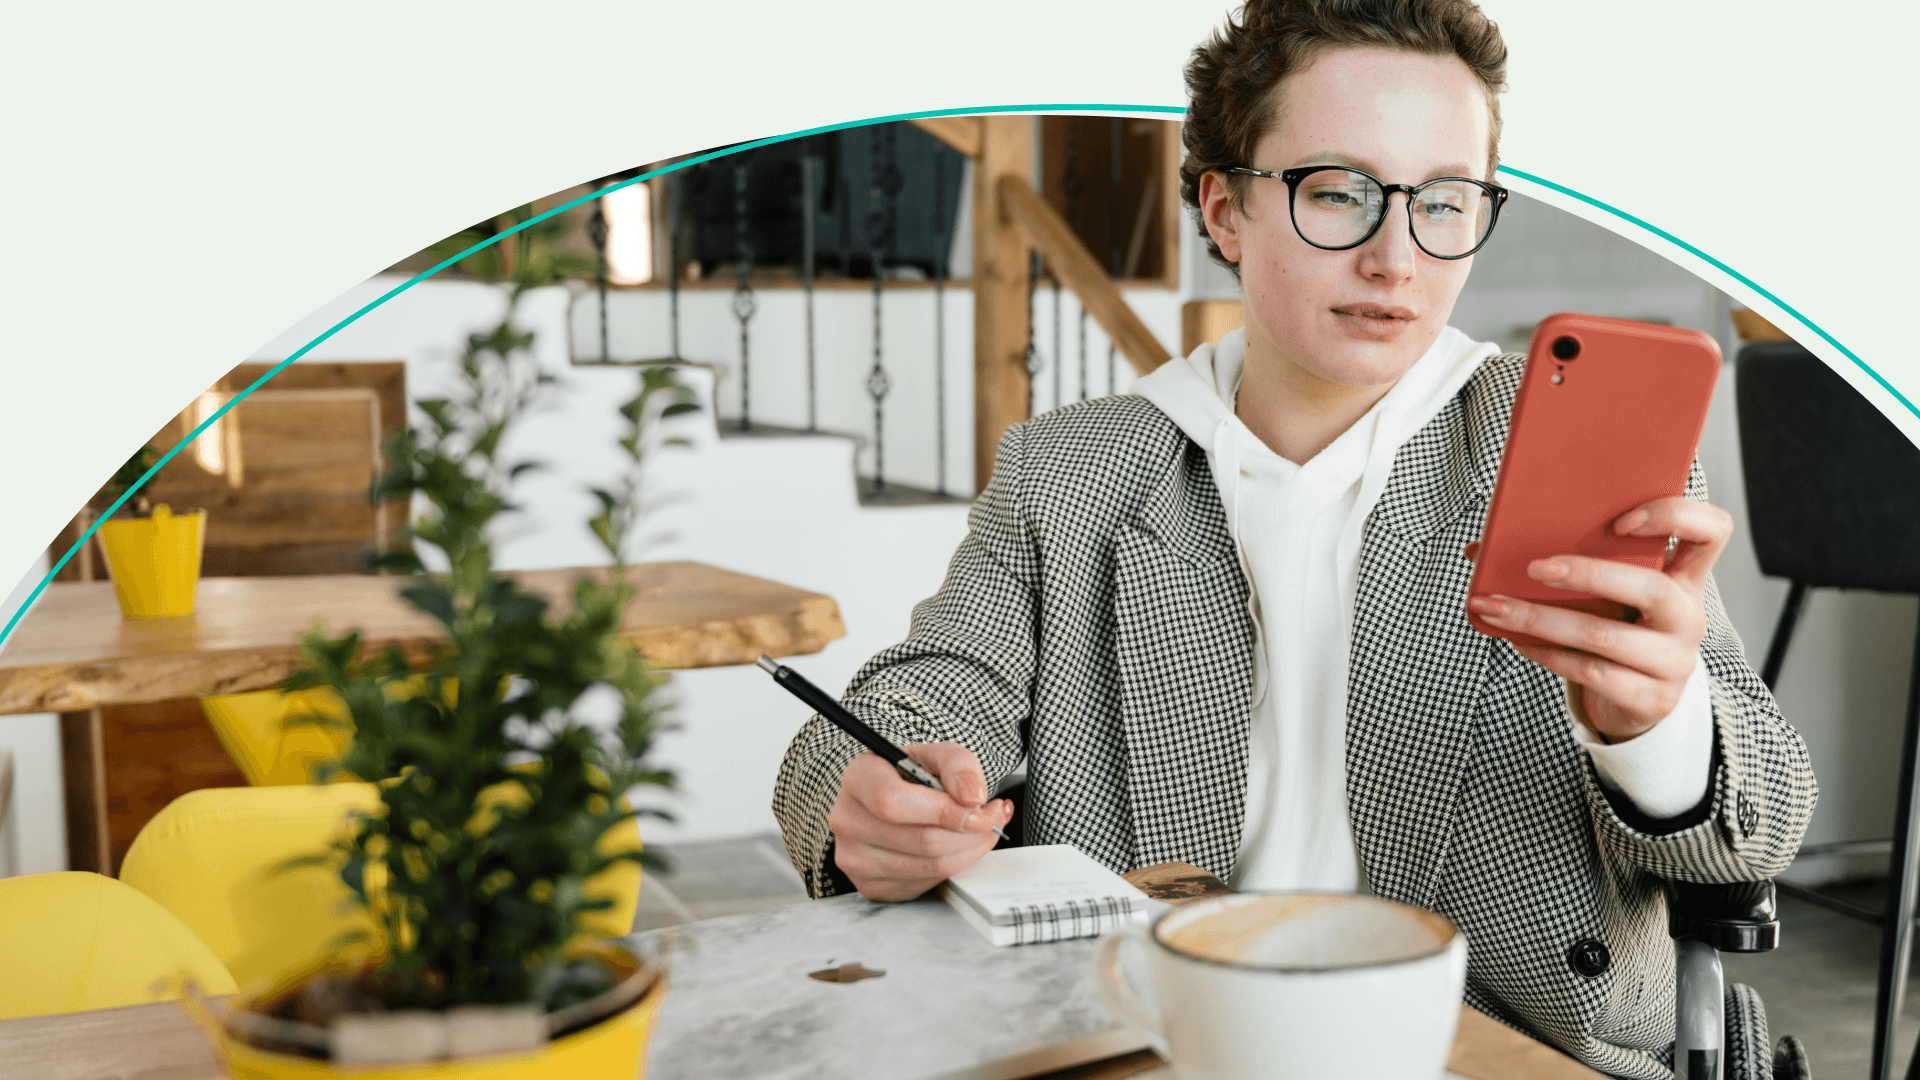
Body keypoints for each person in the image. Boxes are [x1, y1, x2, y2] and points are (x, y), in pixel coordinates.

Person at [772, 0, 1815, 1075]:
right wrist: (870, 795)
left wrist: (1656, 729)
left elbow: (1762, 823)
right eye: (1338, 193)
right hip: (1162, 1040)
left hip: (1505, 1045)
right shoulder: (1070, 469)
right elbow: (915, 704)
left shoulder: (1560, 445)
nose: (1397, 257)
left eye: (1444, 201)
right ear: (1225, 212)